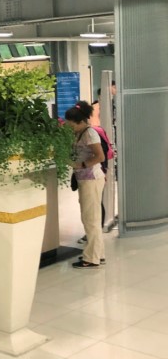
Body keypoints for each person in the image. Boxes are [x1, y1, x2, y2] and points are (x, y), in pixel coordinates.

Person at [64, 102, 107, 269]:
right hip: (85, 180)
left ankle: (91, 258)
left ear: (79, 121)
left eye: (70, 123)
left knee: (91, 219)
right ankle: (98, 254)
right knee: (90, 218)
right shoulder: (80, 133)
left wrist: (81, 165)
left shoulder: (90, 134)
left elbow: (100, 156)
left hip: (91, 179)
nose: (68, 125)